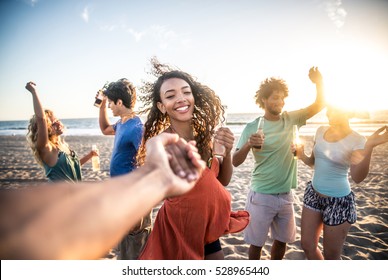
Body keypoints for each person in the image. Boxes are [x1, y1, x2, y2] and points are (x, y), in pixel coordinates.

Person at [0, 133, 205, 260]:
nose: (57, 122)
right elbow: (22, 235)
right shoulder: (47, 148)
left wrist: (158, 176)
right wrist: (155, 177)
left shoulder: (63, 148)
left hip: (77, 198)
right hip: (67, 201)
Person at [136, 58, 249, 260]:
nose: (181, 98)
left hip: (208, 230)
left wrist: (228, 151)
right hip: (178, 232)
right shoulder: (165, 143)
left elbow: (222, 181)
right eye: (171, 95)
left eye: (186, 92)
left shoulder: (206, 137)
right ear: (162, 107)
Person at [232, 67, 325, 260]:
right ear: (264, 100)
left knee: (282, 241)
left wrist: (319, 83)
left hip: (286, 195)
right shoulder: (252, 127)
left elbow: (319, 104)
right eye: (275, 97)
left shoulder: (291, 120)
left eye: (282, 98)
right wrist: (249, 143)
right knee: (256, 245)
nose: (280, 102)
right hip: (261, 196)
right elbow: (235, 161)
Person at [295, 107, 388, 260]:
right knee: (307, 245)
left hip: (338, 202)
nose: (331, 115)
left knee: (332, 257)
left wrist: (369, 146)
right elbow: (313, 162)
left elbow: (357, 177)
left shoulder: (357, 139)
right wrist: (301, 155)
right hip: (313, 195)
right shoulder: (320, 130)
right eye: (329, 112)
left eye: (336, 112)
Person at [97, 78, 147, 260]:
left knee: (134, 247)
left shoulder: (136, 127)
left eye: (111, 102)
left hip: (132, 196)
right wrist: (102, 104)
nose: (110, 106)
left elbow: (146, 162)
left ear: (120, 102)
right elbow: (104, 129)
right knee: (124, 246)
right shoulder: (122, 123)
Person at [26, 82, 97, 182]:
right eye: (53, 123)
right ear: (45, 128)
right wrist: (33, 92)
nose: (58, 123)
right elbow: (41, 119)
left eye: (57, 120)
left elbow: (72, 167)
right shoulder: (47, 148)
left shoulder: (63, 145)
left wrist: (89, 155)